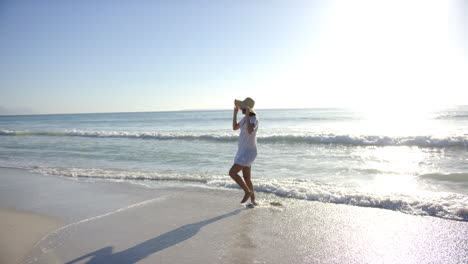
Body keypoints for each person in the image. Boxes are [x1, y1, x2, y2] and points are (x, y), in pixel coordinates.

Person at [229, 97, 259, 205]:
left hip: (249, 152)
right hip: (243, 151)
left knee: (232, 173)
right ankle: (253, 201)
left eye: (242, 107)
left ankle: (247, 191)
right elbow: (234, 127)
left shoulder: (254, 119)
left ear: (248, 109)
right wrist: (235, 113)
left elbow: (250, 131)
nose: (241, 108)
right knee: (246, 177)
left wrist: (247, 116)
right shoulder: (244, 119)